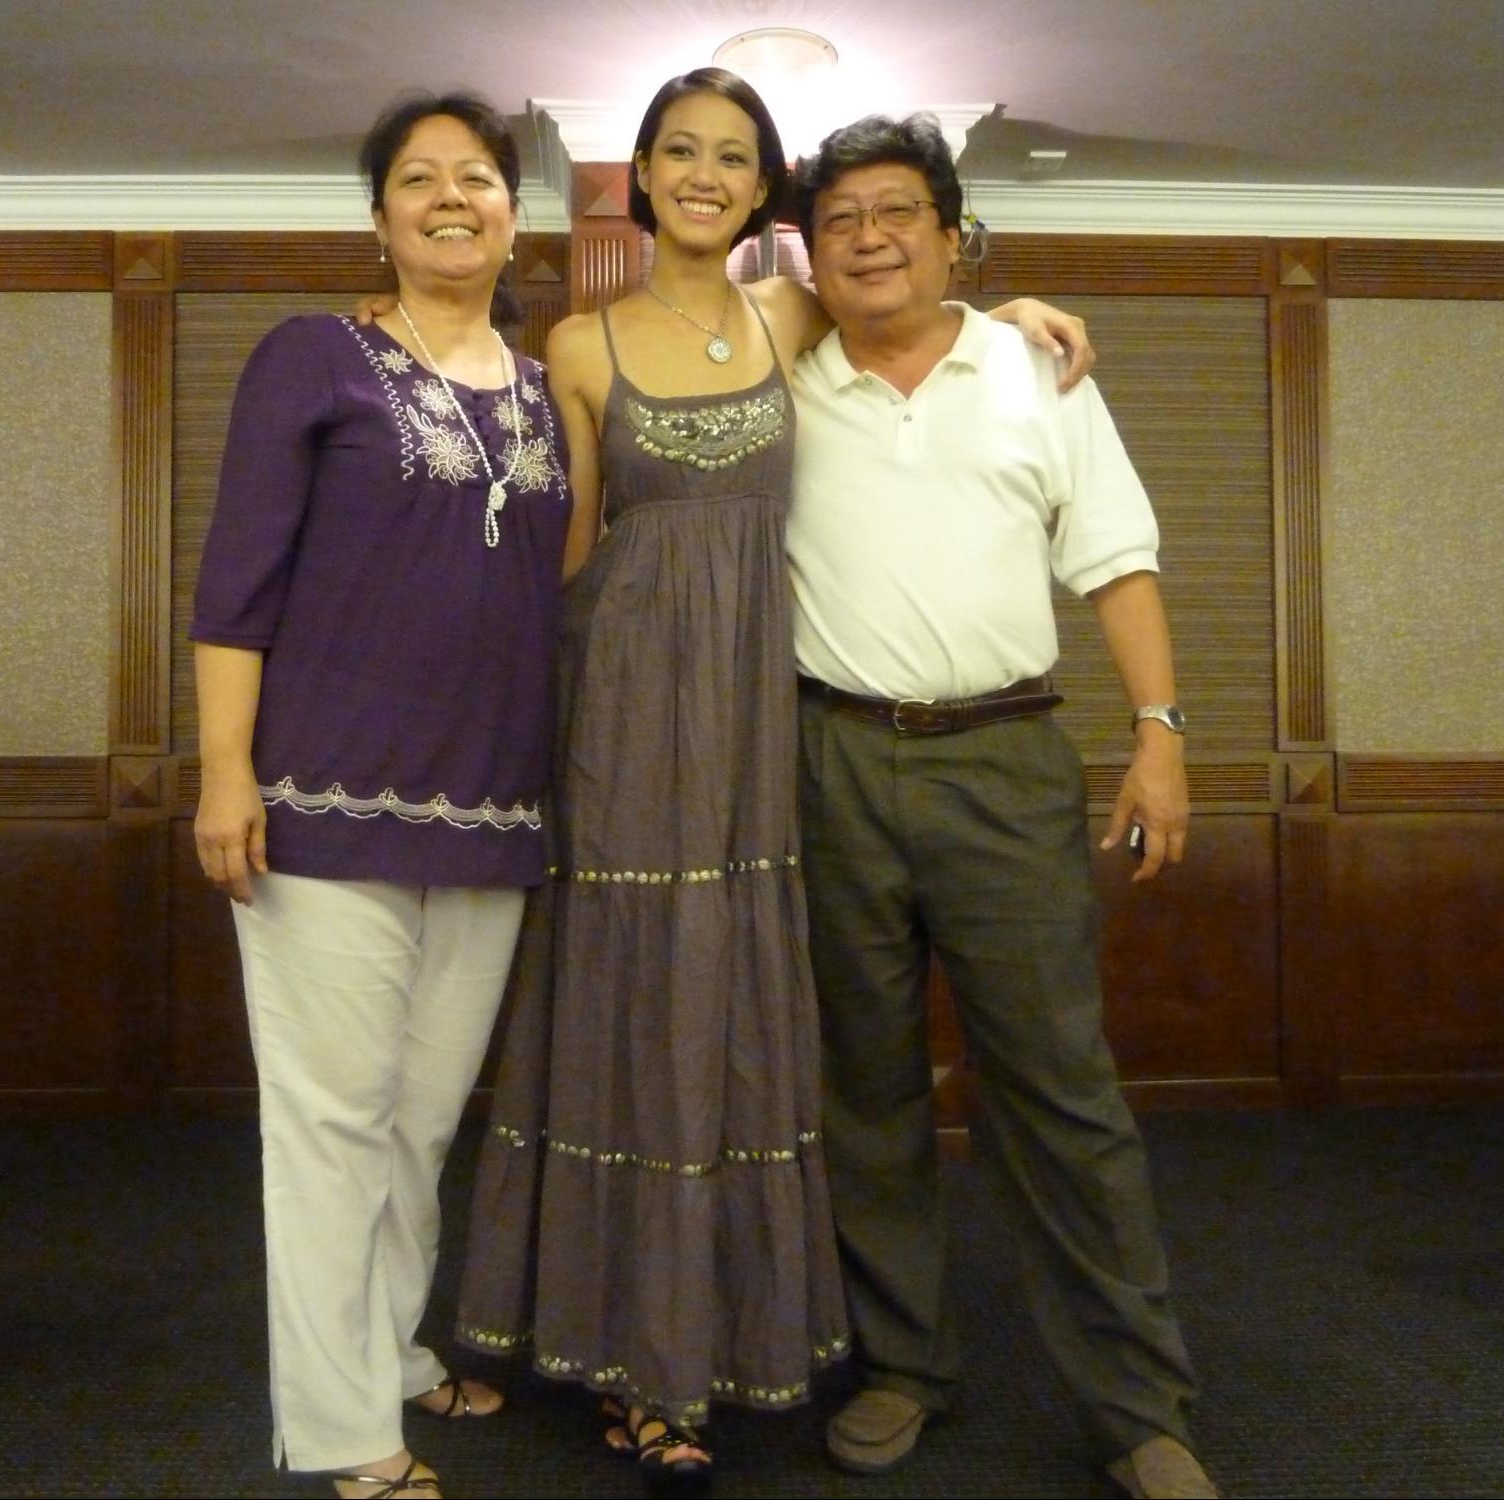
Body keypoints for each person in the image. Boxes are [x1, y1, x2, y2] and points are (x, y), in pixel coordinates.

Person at [442, 69, 1095, 1497]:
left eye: (733, 157)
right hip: (626, 714)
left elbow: (911, 313)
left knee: (735, 1003)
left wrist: (1017, 314)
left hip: (758, 717)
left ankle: (727, 1333)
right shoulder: (579, 342)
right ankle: (633, 1360)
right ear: (639, 174)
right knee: (632, 999)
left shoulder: (793, 314)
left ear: (761, 193)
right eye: (679, 149)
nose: (703, 173)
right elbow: (566, 557)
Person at [786, 115, 1219, 1500]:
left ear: (950, 232)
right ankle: (902, 1366)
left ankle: (1138, 1408)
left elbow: (1119, 561)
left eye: (896, 211)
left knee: (1058, 1089)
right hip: (826, 761)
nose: (869, 238)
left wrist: (1160, 737)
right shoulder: (781, 380)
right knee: (863, 1091)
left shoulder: (1038, 368)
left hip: (1005, 761)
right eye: (840, 218)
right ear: (809, 251)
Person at [190, 91, 573, 1500]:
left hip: (493, 812)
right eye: (419, 178)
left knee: (420, 1122)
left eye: (477, 177)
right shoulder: (314, 356)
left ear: (516, 215)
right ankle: (344, 1427)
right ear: (379, 217)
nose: (451, 197)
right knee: (331, 1126)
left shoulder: (547, 390)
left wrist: (1006, 306)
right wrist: (225, 774)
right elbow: (236, 583)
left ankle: (394, 1353)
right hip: (320, 805)